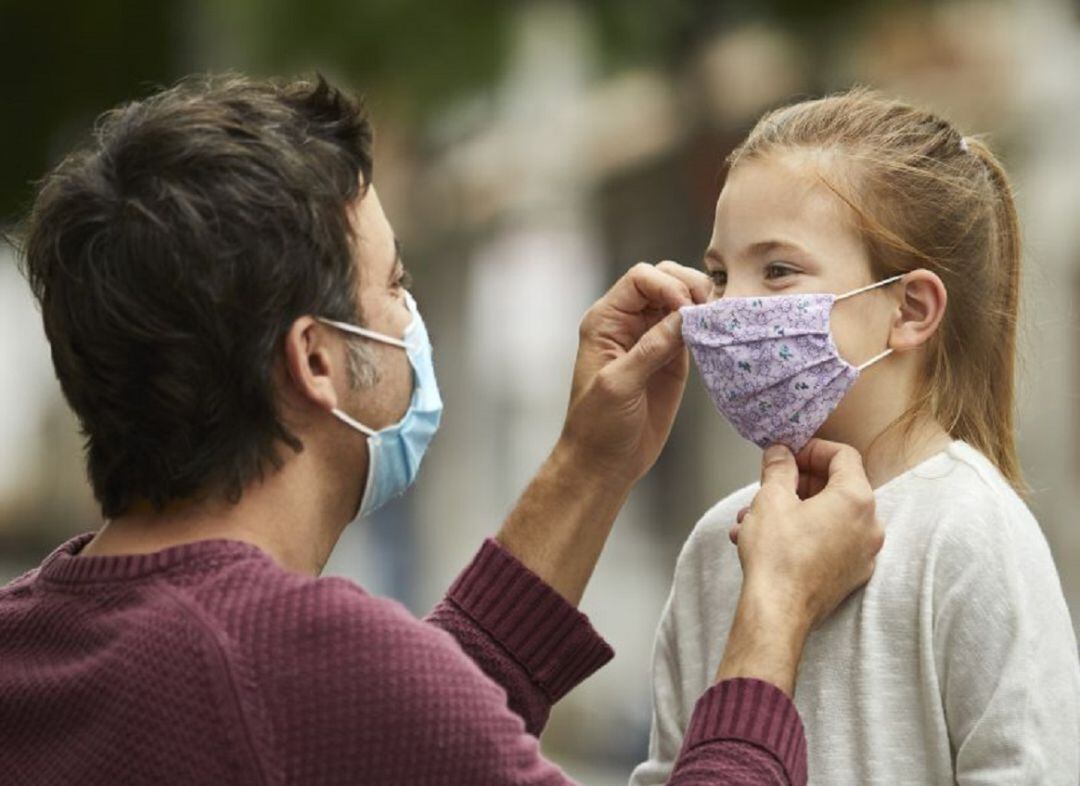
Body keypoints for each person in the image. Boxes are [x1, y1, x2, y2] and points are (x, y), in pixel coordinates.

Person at [0, 75, 884, 786]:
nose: (410, 316)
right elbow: (367, 703)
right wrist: (773, 613)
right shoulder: (296, 666)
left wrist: (588, 465)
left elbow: (402, 730)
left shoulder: (37, 641)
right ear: (316, 360)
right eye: (395, 283)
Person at [631, 89, 1080, 786]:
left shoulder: (971, 535)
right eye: (719, 274)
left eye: (777, 270)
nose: (728, 306)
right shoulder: (717, 545)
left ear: (910, 309)